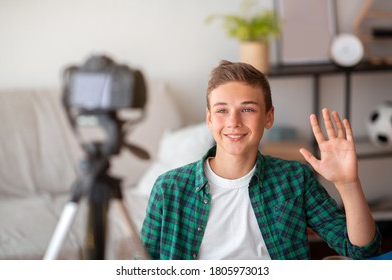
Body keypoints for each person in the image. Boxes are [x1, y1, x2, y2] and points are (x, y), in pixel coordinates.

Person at [140, 60, 381, 260]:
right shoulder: (168, 188)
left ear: (268, 117)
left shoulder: (295, 179)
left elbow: (362, 251)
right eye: (222, 110)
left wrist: (348, 184)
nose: (233, 121)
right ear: (210, 118)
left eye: (247, 109)